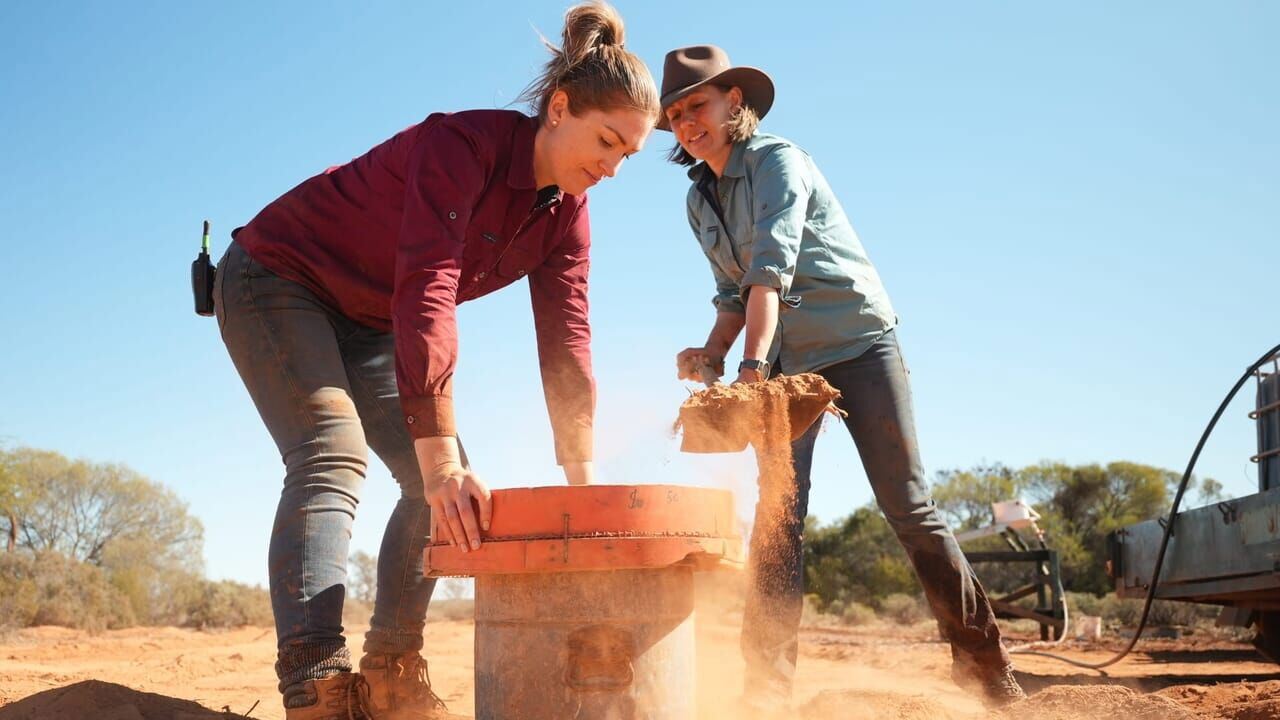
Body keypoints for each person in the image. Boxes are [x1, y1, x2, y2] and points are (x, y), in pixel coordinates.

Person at [213, 4, 658, 718]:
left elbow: (568, 343)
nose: (609, 167)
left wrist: (583, 482)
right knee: (334, 453)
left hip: (370, 318)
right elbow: (428, 289)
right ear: (560, 107)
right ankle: (316, 683)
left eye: (625, 157)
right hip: (278, 278)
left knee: (441, 489)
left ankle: (392, 671)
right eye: (605, 142)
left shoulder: (567, 218)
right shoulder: (461, 145)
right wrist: (440, 458)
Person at [659, 45, 1026, 713]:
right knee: (776, 525)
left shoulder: (778, 162)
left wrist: (747, 371)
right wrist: (712, 353)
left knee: (909, 510)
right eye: (676, 113)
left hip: (858, 345)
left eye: (699, 106)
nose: (687, 122)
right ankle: (765, 691)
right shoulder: (697, 200)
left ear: (734, 103)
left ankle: (985, 665)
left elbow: (772, 269)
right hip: (782, 362)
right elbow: (732, 291)